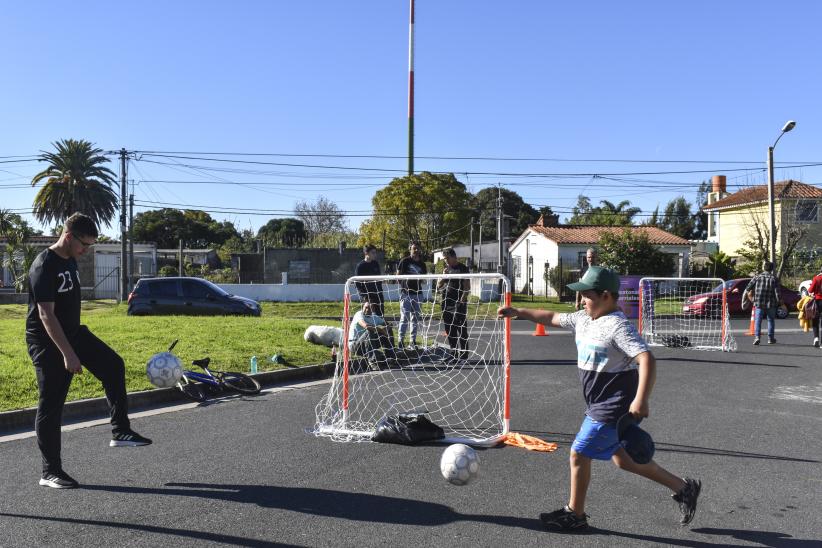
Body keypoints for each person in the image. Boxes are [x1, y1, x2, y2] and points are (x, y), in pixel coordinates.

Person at [497, 266, 701, 531]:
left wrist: (642, 399)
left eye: (587, 295)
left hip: (614, 405)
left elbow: (646, 358)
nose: (582, 300)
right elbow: (551, 316)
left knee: (579, 453)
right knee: (623, 460)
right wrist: (519, 313)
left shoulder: (617, 326)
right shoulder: (584, 318)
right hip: (598, 402)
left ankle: (575, 514)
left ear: (606, 296)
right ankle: (683, 488)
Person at [26, 213, 151, 489]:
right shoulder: (43, 266)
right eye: (85, 245)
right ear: (69, 237)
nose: (86, 251)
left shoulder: (70, 260)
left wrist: (75, 344)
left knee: (113, 365)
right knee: (51, 403)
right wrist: (68, 354)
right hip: (48, 342)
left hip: (73, 333)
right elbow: (46, 316)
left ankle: (120, 431)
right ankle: (50, 472)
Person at [437, 248, 470, 358]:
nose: (446, 261)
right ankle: (453, 352)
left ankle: (464, 353)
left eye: (447, 259)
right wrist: (443, 276)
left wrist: (462, 299)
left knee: (461, 328)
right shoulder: (446, 268)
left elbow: (466, 286)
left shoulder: (463, 268)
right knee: (449, 329)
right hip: (447, 301)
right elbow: (438, 285)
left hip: (459, 302)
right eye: (444, 259)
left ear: (453, 257)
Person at [395, 242, 427, 348]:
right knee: (404, 317)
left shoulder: (422, 264)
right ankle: (400, 340)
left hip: (418, 294)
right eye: (414, 248)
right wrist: (404, 286)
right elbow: (398, 276)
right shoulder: (404, 261)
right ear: (410, 249)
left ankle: (412, 341)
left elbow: (423, 279)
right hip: (406, 294)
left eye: (418, 248)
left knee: (415, 318)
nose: (416, 250)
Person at [347, 301, 396, 369]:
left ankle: (391, 359)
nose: (367, 310)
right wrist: (381, 329)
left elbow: (388, 324)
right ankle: (373, 362)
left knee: (386, 332)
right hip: (355, 345)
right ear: (363, 307)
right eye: (366, 307)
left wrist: (387, 328)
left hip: (368, 345)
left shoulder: (375, 317)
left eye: (369, 308)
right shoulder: (359, 314)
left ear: (373, 310)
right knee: (369, 331)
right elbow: (366, 326)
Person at [744, 261, 781, 345]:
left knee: (758, 320)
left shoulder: (757, 277)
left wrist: (751, 298)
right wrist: (780, 303)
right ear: (772, 269)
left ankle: (757, 337)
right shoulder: (774, 279)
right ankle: (770, 338)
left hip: (758, 302)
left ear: (764, 268)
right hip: (771, 303)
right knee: (770, 320)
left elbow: (748, 288)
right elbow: (777, 293)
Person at [355, 244, 384, 317]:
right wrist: (364, 297)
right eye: (373, 253)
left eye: (375, 253)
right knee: (368, 317)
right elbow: (357, 284)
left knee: (380, 317)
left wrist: (380, 290)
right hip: (367, 296)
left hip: (378, 295)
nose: (375, 255)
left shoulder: (375, 264)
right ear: (366, 253)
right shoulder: (360, 266)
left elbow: (378, 279)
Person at [807, 267, 822, 347]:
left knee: (815, 320)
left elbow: (810, 290)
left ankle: (816, 338)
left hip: (818, 301)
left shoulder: (816, 278)